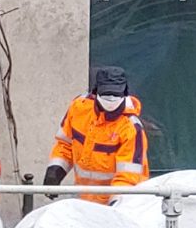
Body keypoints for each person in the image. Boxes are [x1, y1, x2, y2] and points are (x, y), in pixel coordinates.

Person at [43, 66, 149, 205]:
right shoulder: (79, 109)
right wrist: (55, 171)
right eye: (106, 95)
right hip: (85, 199)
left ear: (125, 93)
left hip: (120, 203)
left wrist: (117, 203)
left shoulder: (131, 128)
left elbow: (128, 176)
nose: (111, 100)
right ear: (95, 92)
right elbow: (65, 144)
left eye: (116, 95)